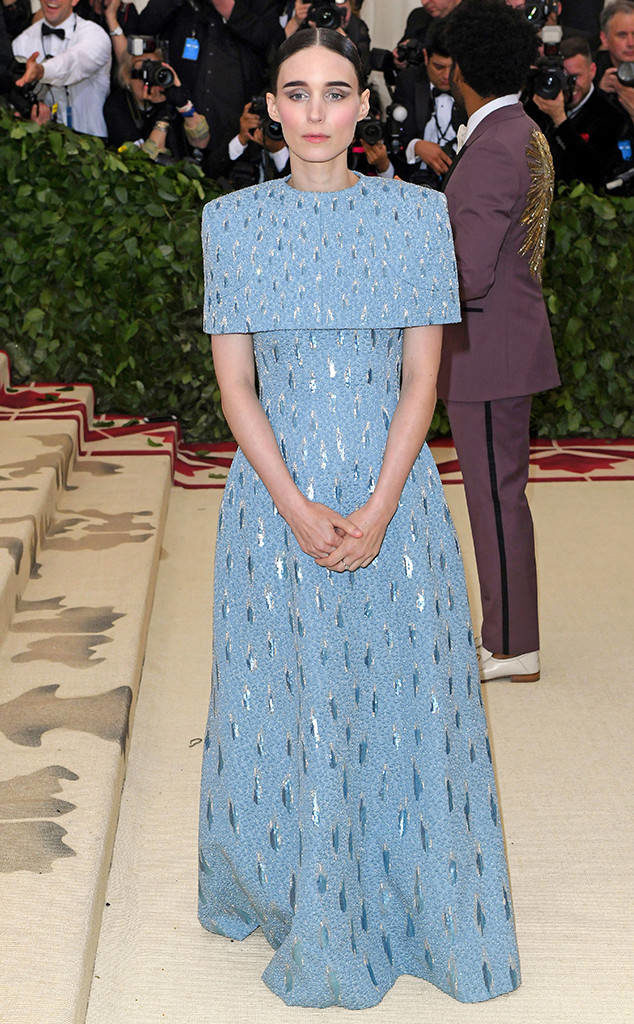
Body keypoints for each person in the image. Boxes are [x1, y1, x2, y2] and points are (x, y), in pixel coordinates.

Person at [197, 25, 521, 1010]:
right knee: (290, 694)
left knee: (404, 692)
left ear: (361, 106)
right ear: (269, 109)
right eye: (295, 94)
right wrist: (296, 506)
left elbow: (423, 376)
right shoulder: (232, 224)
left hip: (394, 492)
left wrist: (378, 505)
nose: (316, 114)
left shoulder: (412, 219)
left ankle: (409, 887)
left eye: (335, 93)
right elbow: (236, 388)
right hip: (272, 502)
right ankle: (295, 885)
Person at [438, 0, 560, 682]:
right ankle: (513, 636)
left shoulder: (493, 144)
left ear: (461, 70)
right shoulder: (524, 131)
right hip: (508, 341)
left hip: (487, 350)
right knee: (500, 491)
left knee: (493, 495)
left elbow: (470, 272)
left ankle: (512, 644)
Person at [527, 35, 627, 190]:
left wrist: (560, 120)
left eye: (574, 77)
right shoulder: (541, 103)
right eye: (563, 77)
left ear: (592, 71)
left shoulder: (612, 114)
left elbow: (594, 173)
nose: (569, 86)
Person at [12, 0, 111, 136]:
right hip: (41, 143)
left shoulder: (95, 35)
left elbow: (74, 62)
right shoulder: (22, 42)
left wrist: (41, 71)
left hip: (92, 144)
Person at [104, 46, 210, 161]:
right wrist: (164, 115)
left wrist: (183, 104)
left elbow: (201, 143)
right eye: (143, 72)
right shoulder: (117, 104)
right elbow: (145, 162)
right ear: (127, 77)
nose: (149, 80)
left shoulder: (171, 94)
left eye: (155, 70)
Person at [395, 19, 466, 187]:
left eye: (453, 67)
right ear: (426, 56)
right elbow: (399, 135)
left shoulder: (471, 85)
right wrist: (416, 146)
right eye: (439, 67)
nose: (447, 76)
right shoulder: (409, 80)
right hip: (416, 180)